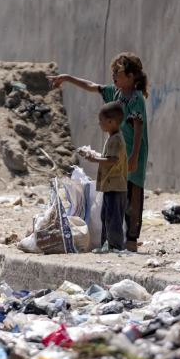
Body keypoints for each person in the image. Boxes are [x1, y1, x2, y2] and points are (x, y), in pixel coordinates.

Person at [51, 52, 149, 252]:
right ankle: (114, 238)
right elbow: (92, 86)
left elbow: (139, 128)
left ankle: (131, 238)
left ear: (131, 77)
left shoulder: (136, 98)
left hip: (132, 152)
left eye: (118, 73)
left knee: (134, 193)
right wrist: (68, 78)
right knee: (117, 193)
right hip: (118, 151)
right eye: (113, 73)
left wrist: (135, 156)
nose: (114, 77)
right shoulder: (115, 92)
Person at [78, 102, 128, 252]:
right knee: (106, 217)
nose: (99, 124)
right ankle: (107, 244)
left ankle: (115, 246)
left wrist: (94, 160)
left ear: (111, 122)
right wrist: (93, 155)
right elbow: (109, 158)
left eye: (101, 121)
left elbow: (113, 160)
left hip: (115, 187)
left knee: (113, 219)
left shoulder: (115, 139)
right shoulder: (113, 137)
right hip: (110, 186)